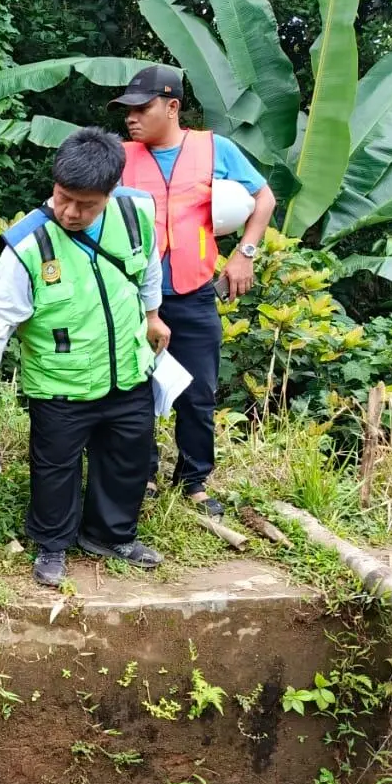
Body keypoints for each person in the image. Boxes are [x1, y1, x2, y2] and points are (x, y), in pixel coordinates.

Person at [0, 127, 169, 587]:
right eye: (62, 198)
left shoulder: (136, 214)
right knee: (55, 469)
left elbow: (148, 266)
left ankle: (111, 535)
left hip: (128, 371)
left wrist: (153, 316)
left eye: (86, 204)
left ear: (110, 194)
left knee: (127, 459)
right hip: (61, 382)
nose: (71, 212)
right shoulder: (29, 243)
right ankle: (53, 544)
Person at [109, 66, 276, 516]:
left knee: (198, 392)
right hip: (133, 299)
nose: (132, 118)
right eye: (127, 111)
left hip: (194, 291)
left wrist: (245, 253)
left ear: (172, 106)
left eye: (142, 109)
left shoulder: (214, 148)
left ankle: (194, 480)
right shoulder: (120, 157)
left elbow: (264, 198)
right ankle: (139, 476)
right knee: (134, 389)